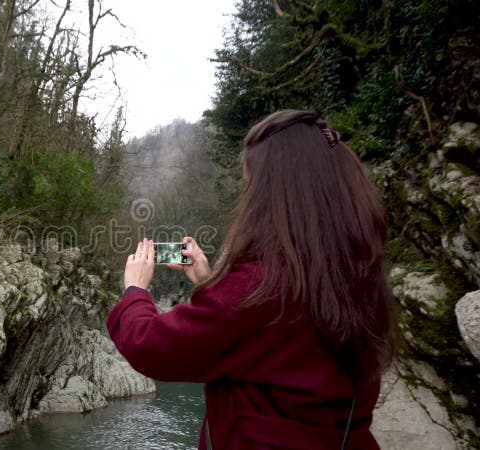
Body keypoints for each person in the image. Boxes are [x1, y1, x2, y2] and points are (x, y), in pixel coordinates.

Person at [107, 110, 395, 450]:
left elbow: (150, 347)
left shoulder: (259, 286)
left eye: (251, 185)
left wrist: (136, 291)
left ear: (275, 193)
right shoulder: (358, 272)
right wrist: (210, 282)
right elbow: (267, 346)